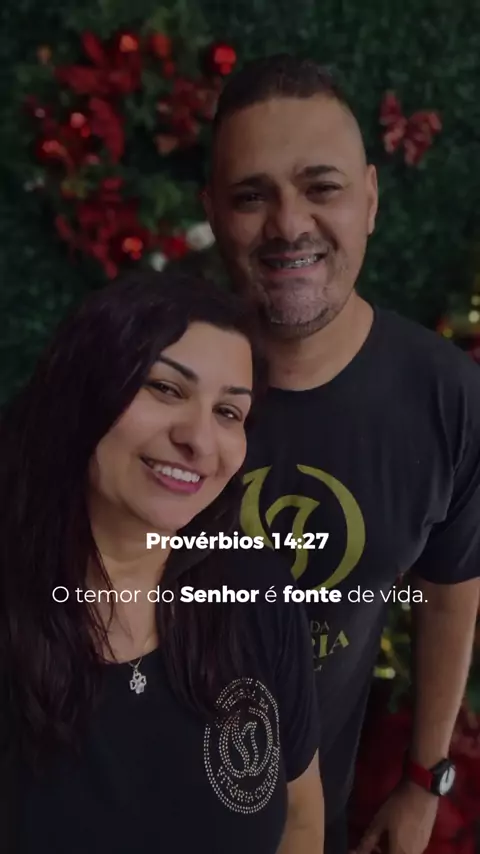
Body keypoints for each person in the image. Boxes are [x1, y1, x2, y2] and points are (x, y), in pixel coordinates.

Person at [203, 54, 480, 854]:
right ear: (213, 213)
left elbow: (449, 591)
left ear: (370, 201)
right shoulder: (148, 375)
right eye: (252, 196)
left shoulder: (447, 396)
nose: (289, 225)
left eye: (320, 188)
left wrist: (424, 779)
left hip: (307, 824)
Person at [0, 271, 324, 854]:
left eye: (229, 412)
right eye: (166, 389)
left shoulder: (256, 590)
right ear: (83, 389)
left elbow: (300, 820)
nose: (200, 440)